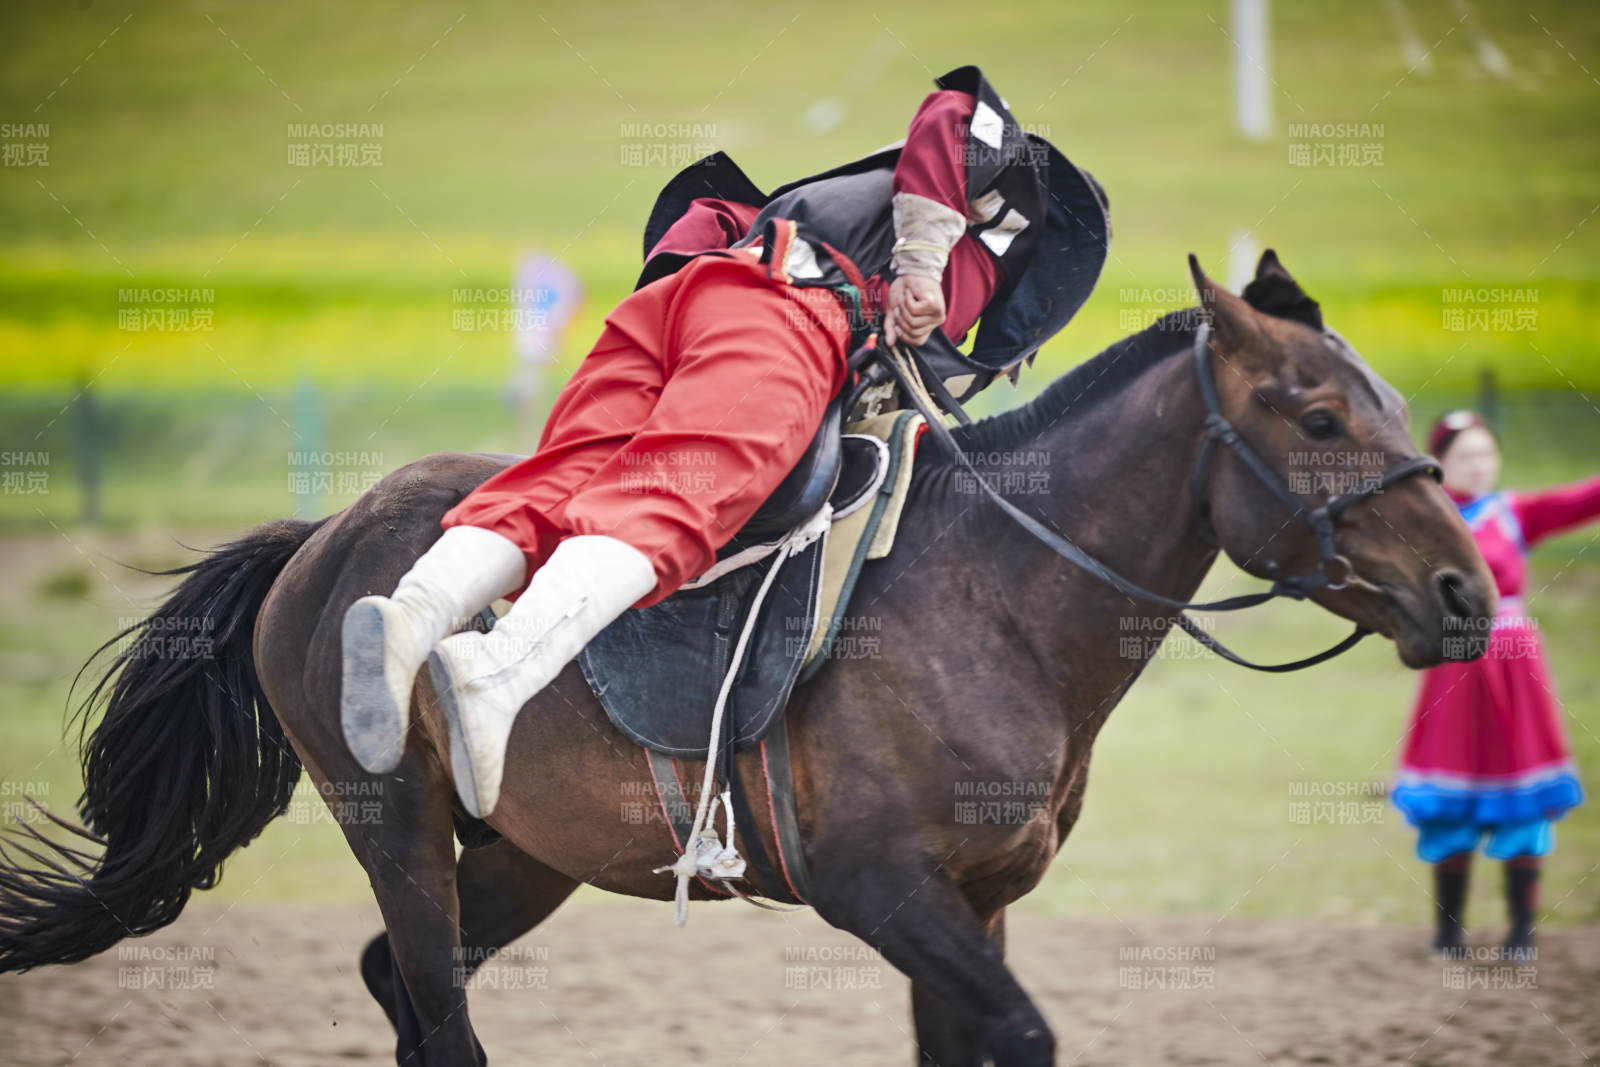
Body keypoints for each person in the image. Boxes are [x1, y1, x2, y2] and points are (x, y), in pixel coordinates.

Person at [339, 66, 1110, 818]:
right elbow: (953, 108)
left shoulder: (895, 216)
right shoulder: (1008, 202)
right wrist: (923, 262)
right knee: (671, 504)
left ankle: (409, 619)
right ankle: (491, 677)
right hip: (789, 319)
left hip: (691, 297)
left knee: (559, 482)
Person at [1391, 410, 1600, 957]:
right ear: (1439, 463)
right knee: (1450, 800)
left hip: (1514, 668)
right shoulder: (1427, 520)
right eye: (1466, 457)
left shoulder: (1514, 514)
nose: (1479, 466)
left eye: (1487, 454)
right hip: (1455, 665)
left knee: (1521, 795)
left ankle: (1521, 932)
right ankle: (1448, 931)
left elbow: (1585, 498)